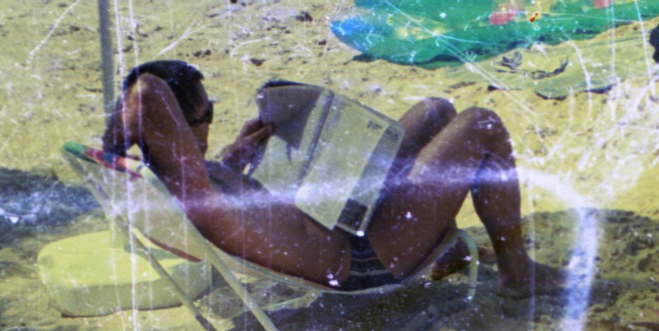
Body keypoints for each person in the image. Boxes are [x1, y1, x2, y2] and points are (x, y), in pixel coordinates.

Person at [100, 60, 565, 298]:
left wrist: (234, 157)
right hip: (364, 256)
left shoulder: (193, 179)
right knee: (480, 124)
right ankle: (516, 272)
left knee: (434, 111)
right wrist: (122, 124)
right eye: (204, 116)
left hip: (341, 220)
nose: (209, 122)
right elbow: (146, 93)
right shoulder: (191, 184)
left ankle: (445, 245)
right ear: (175, 126)